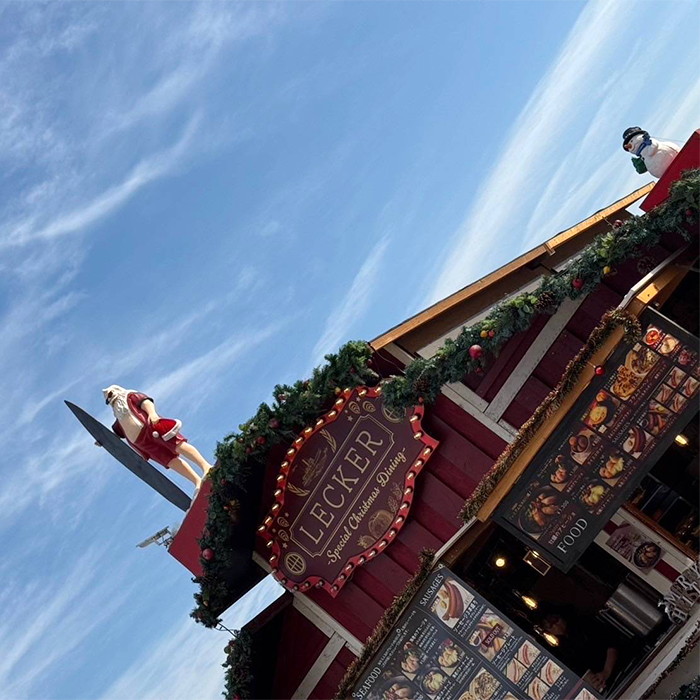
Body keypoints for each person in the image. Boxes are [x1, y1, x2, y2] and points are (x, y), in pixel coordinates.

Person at [98, 385, 212, 489]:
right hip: (142, 443)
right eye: (109, 399)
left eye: (111, 394)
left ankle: (205, 466)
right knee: (169, 460)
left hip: (152, 428)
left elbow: (145, 402)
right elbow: (117, 435)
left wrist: (152, 413)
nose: (111, 399)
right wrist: (103, 440)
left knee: (178, 445)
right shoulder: (119, 418)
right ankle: (196, 481)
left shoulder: (129, 397)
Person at [541, 608, 621, 692]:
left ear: (560, 616)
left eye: (556, 620)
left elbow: (612, 642)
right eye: (550, 626)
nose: (556, 626)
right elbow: (579, 669)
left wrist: (606, 671)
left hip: (620, 668)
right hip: (604, 683)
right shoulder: (563, 646)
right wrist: (595, 682)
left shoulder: (583, 623)